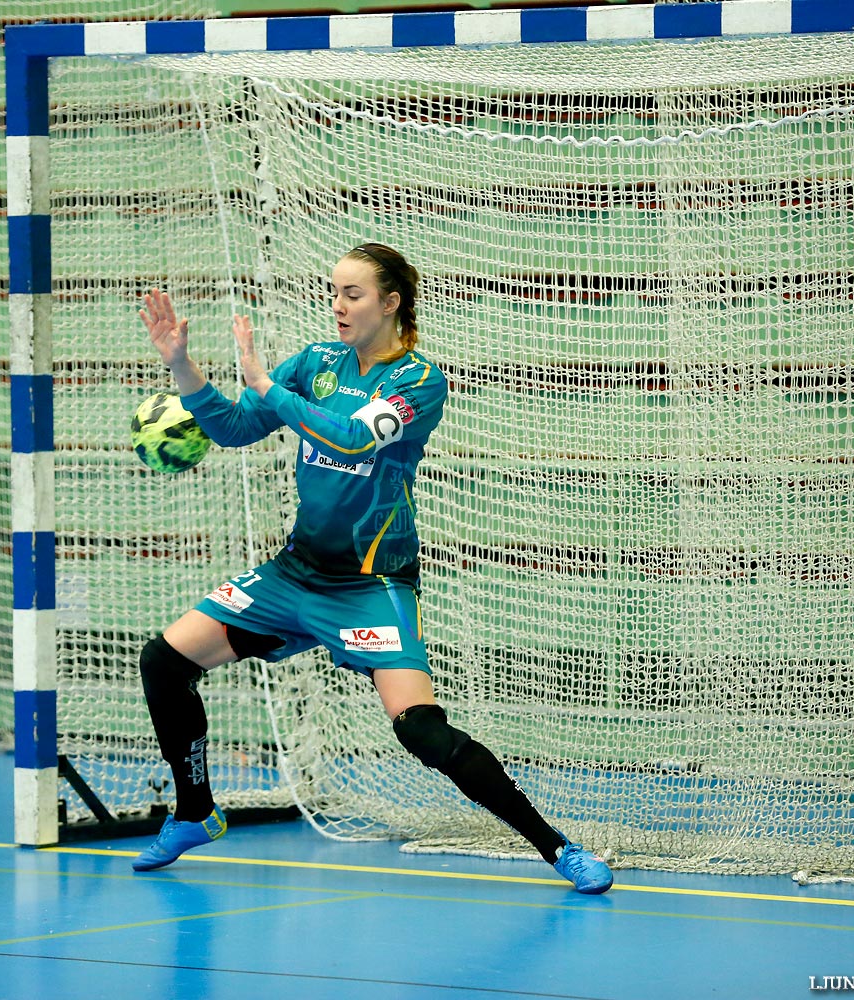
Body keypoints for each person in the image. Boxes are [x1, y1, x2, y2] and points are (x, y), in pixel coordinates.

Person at [132, 242, 613, 894]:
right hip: (296, 574)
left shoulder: (418, 382)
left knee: (421, 731)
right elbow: (237, 427)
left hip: (370, 585)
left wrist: (270, 389)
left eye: (353, 294)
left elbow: (352, 437)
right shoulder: (316, 363)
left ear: (391, 303)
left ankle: (557, 849)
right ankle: (195, 812)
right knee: (165, 662)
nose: (337, 305)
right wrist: (183, 367)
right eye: (334, 292)